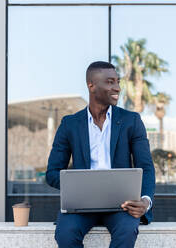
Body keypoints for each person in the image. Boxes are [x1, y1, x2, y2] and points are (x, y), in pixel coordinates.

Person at [46, 61, 155, 248]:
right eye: (110, 82)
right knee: (65, 234)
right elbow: (52, 172)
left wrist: (145, 201)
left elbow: (146, 167)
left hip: (122, 205)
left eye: (118, 82)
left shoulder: (131, 121)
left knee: (127, 231)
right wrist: (79, 185)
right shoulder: (70, 124)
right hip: (81, 204)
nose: (117, 88)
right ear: (92, 85)